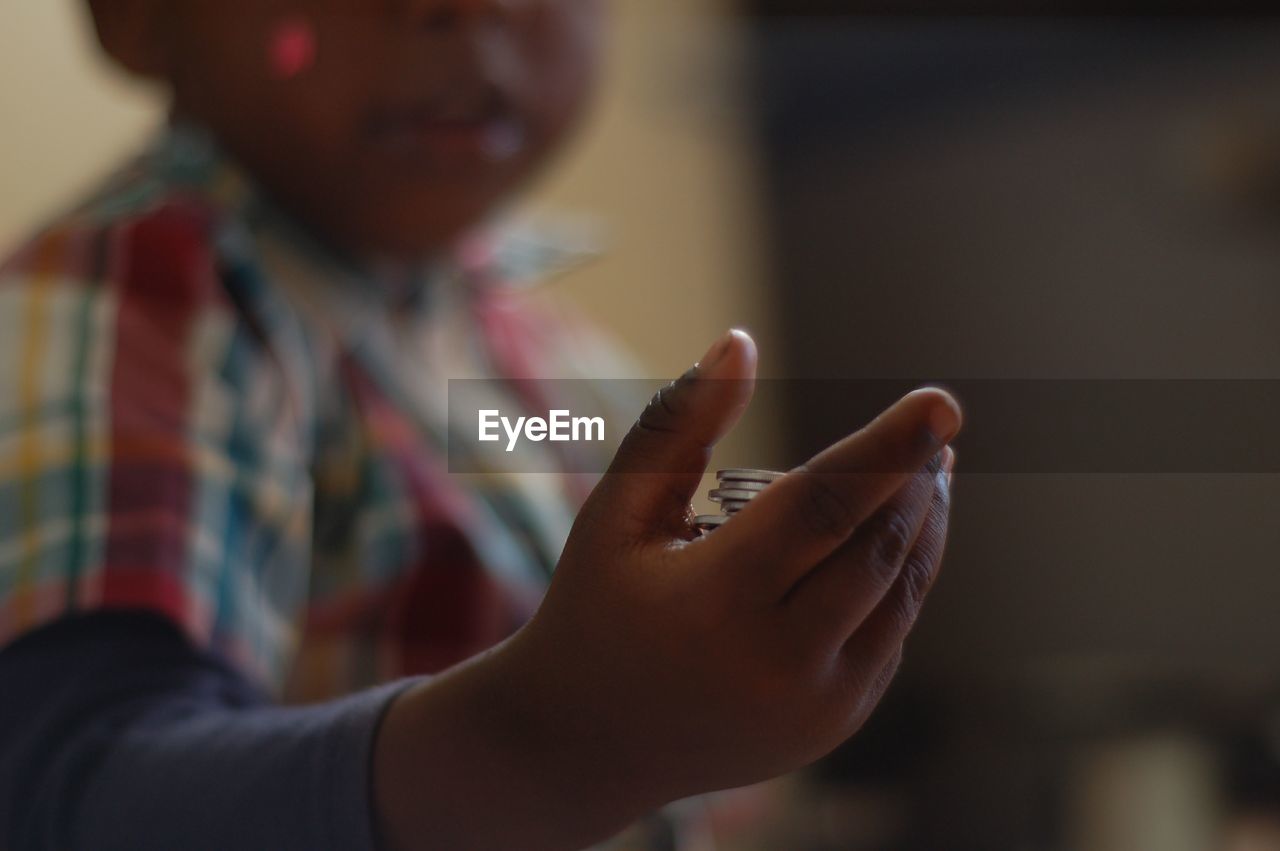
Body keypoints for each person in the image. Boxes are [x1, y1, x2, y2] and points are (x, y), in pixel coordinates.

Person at [0, 1, 961, 849]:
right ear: (132, 14)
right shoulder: (124, 306)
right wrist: (565, 739)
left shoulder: (547, 359)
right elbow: (72, 792)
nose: (467, 6)